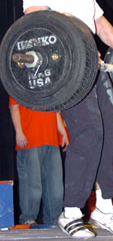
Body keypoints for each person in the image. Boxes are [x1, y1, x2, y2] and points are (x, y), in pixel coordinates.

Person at [22, 0, 113, 238]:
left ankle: (105, 208)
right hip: (69, 69)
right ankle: (71, 212)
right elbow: (35, 23)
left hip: (94, 66)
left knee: (110, 130)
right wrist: (71, 49)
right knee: (89, 131)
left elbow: (99, 22)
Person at [9, 96, 69, 225]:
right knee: (31, 182)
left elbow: (55, 112)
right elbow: (14, 107)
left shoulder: (49, 87)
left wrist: (63, 132)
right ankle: (28, 218)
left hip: (51, 139)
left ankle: (54, 219)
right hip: (30, 139)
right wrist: (19, 132)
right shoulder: (21, 84)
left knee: (55, 185)